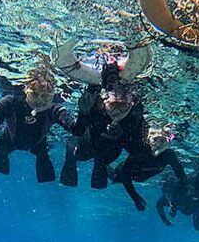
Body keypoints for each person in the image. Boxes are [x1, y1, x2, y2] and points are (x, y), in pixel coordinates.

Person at [0, 68, 78, 189]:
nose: (40, 101)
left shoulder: (53, 108)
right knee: (1, 154)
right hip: (7, 141)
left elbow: (75, 129)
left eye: (45, 96)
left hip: (39, 145)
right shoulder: (9, 102)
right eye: (35, 94)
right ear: (26, 90)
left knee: (44, 163)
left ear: (52, 95)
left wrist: (84, 112)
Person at [60, 61, 146, 190]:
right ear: (104, 102)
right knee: (74, 147)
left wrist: (122, 135)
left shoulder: (134, 115)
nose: (117, 113)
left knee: (101, 162)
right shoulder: (95, 107)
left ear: (131, 104)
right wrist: (83, 112)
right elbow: (77, 132)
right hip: (87, 146)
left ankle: (101, 165)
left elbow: (137, 150)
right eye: (113, 106)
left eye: (123, 107)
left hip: (110, 153)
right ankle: (77, 165)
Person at [107, 125, 186, 211]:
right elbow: (125, 176)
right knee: (115, 177)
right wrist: (135, 197)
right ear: (147, 137)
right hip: (123, 173)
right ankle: (101, 162)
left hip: (141, 176)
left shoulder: (169, 155)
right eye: (154, 138)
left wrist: (174, 200)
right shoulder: (138, 151)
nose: (158, 142)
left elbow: (182, 178)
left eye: (162, 140)